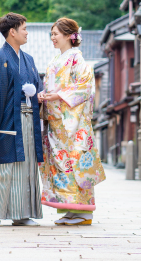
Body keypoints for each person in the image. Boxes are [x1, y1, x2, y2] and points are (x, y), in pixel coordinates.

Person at [0, 13, 44, 227]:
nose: (27, 32)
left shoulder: (29, 59)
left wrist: (38, 94)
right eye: (24, 28)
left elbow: (37, 88)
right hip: (6, 121)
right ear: (12, 31)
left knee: (27, 166)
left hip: (28, 120)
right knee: (3, 167)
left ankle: (22, 214)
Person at [38, 17, 105, 226]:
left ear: (69, 35)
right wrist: (44, 95)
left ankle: (84, 213)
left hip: (72, 125)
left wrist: (57, 96)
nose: (52, 38)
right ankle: (69, 209)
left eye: (56, 34)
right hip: (57, 125)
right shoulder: (54, 61)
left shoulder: (77, 58)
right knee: (60, 167)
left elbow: (85, 88)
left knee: (75, 165)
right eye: (51, 34)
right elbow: (52, 89)